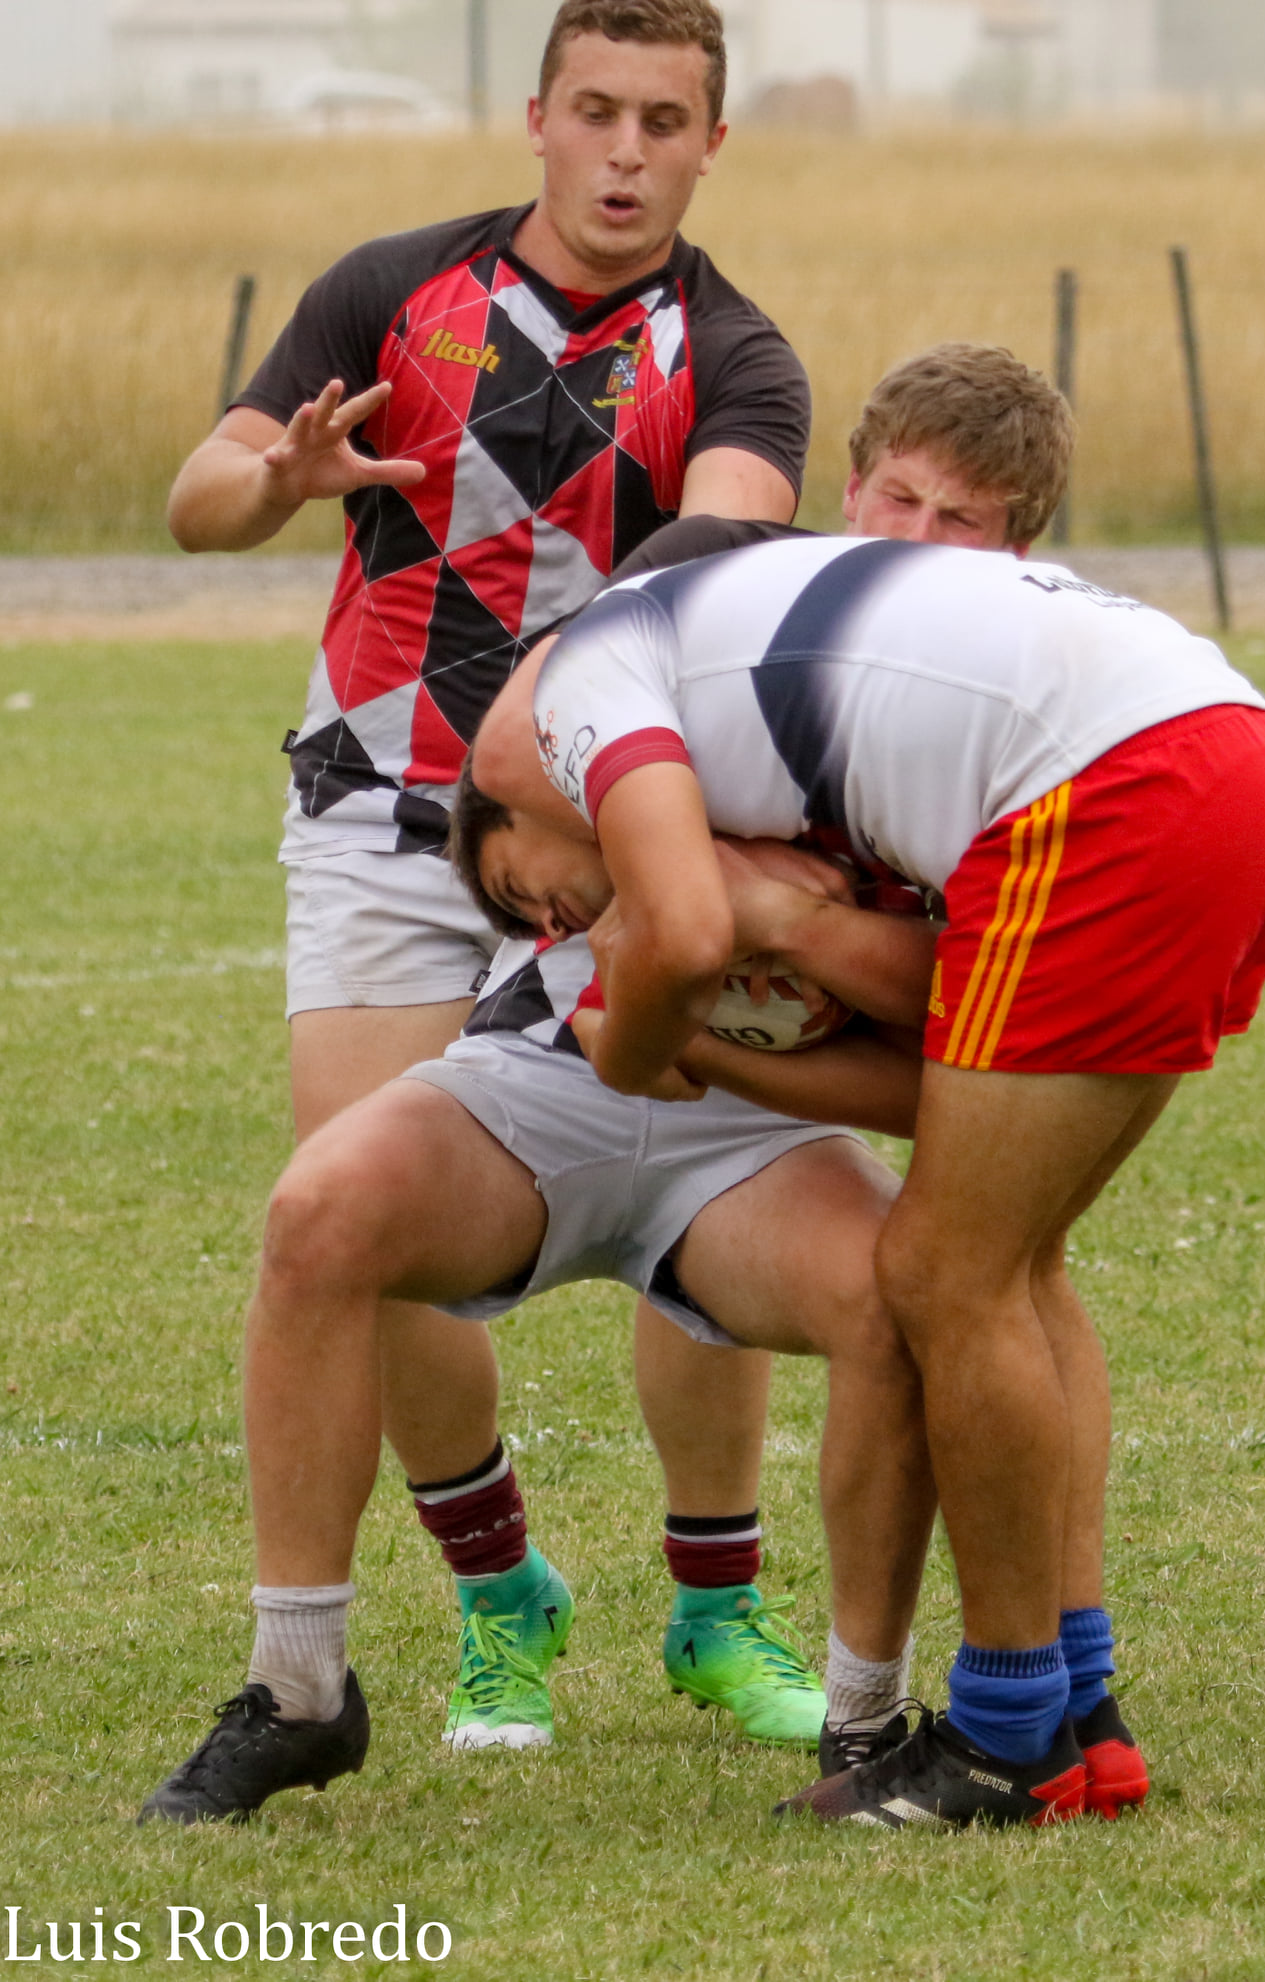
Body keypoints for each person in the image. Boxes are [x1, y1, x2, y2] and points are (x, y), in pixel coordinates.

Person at [140, 350, 1165, 1827]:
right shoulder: (715, 583)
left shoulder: (993, 721)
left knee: (912, 1296)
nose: (914, 539)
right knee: (318, 1211)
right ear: (845, 483)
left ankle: (868, 1723)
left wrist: (794, 927)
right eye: (896, 495)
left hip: (757, 1123)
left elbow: (961, 1015)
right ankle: (299, 1688)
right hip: (546, 1065)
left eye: (966, 523)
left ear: (1021, 556)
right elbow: (524, 790)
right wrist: (702, 878)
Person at [162, 0, 825, 1741]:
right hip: (382, 804)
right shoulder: (393, 289)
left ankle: (717, 1604)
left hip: (617, 830)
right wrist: (277, 476)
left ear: (709, 143)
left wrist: (586, 692)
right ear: (534, 117)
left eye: (662, 121)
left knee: (700, 1191)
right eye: (594, 112)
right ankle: (498, 1588)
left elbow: (729, 537)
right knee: (359, 1224)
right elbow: (197, 496)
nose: (624, 151)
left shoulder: (737, 354)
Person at [468, 531, 1265, 1829]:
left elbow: (682, 927)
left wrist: (637, 1043)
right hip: (1226, 751)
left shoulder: (585, 680)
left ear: (536, 793)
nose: (564, 931)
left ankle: (1000, 1740)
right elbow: (949, 1065)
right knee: (1009, 1259)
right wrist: (719, 1016)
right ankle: (1079, 1711)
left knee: (943, 1269)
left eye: (532, 891)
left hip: (1113, 782)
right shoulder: (761, 745)